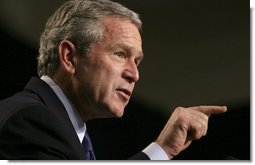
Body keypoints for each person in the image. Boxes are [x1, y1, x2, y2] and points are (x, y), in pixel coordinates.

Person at [0, 0, 227, 160]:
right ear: (69, 57)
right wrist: (161, 150)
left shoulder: (65, 129)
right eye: (120, 54)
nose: (134, 74)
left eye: (136, 61)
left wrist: (165, 148)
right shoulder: (32, 121)